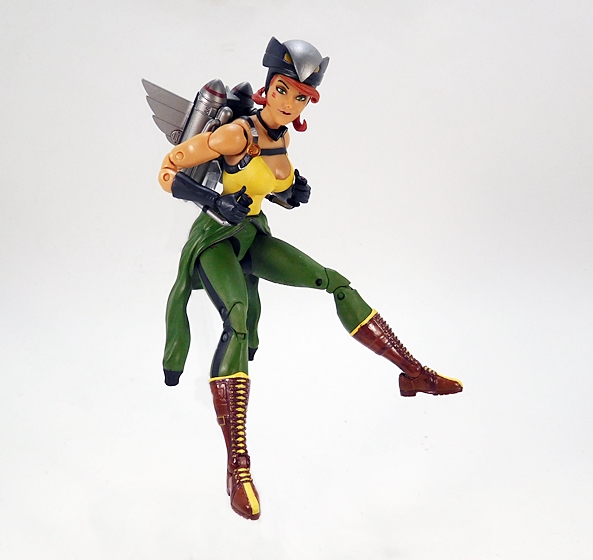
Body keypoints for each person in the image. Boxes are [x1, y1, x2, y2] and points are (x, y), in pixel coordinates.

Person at [157, 37, 462, 520]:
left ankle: (412, 374)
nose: (290, 102)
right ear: (269, 88)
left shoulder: (282, 138)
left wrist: (290, 194)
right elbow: (169, 171)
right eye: (284, 90)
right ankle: (238, 467)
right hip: (215, 238)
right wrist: (215, 200)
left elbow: (265, 186)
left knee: (333, 281)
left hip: (252, 233)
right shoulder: (234, 135)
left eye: (301, 96)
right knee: (237, 318)